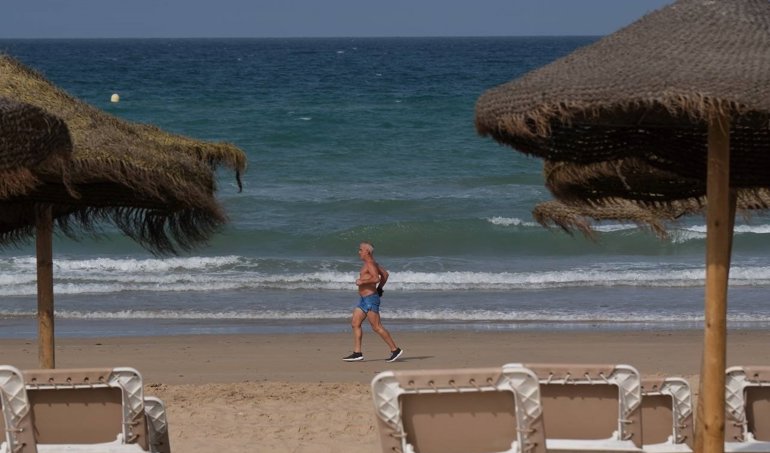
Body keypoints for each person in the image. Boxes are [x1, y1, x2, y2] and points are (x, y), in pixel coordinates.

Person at [342, 242, 403, 362]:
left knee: (376, 327)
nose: (359, 252)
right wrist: (380, 288)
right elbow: (385, 274)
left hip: (370, 299)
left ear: (367, 252)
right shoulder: (372, 263)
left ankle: (395, 350)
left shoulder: (370, 263)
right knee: (355, 323)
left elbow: (376, 278)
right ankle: (357, 353)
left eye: (360, 250)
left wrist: (362, 282)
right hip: (364, 300)